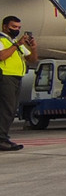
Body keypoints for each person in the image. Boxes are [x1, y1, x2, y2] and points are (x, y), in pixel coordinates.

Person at [0, 16, 37, 151]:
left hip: (16, 77)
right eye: (14, 27)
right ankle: (1, 139)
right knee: (6, 109)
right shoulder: (2, 40)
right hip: (5, 77)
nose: (17, 30)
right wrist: (16, 45)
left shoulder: (14, 42)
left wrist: (33, 48)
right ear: (4, 26)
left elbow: (32, 59)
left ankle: (3, 137)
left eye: (19, 27)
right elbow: (1, 56)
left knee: (11, 109)